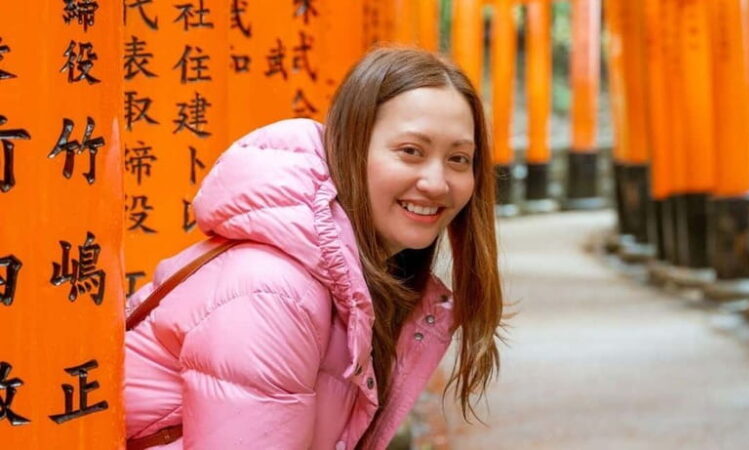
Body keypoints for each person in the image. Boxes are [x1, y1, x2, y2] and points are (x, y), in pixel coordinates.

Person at [124, 47, 503, 449]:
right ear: (349, 146)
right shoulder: (275, 294)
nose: (437, 182)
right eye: (411, 151)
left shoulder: (366, 283)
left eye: (459, 159)